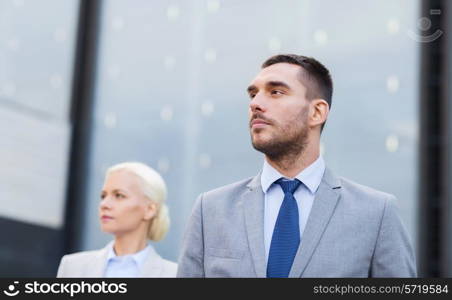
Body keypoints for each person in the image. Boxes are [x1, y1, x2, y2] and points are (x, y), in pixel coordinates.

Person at [177, 54, 416, 278]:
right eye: (253, 94)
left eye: (276, 92)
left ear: (317, 112)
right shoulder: (210, 210)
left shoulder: (376, 213)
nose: (256, 104)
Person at [57, 162, 177, 277]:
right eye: (103, 196)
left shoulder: (175, 275)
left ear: (149, 210)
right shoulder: (73, 267)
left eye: (119, 195)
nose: (104, 204)